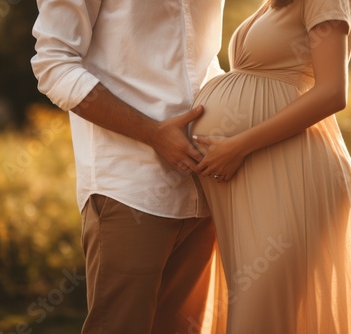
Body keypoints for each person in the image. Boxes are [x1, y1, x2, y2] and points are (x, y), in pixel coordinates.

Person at [30, 0, 227, 333]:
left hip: (205, 187)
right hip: (129, 186)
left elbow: (203, 59)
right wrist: (152, 133)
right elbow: (53, 64)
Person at [189, 0, 351, 332]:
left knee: (259, 316)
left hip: (295, 176)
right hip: (258, 179)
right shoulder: (276, 3)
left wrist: (238, 145)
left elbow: (333, 92)